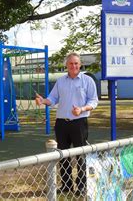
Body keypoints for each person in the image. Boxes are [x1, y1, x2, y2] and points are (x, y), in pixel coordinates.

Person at [35, 53, 98, 195]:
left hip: (79, 123)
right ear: (66, 66)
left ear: (80, 65)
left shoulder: (87, 81)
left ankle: (81, 187)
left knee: (80, 154)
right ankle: (67, 185)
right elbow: (53, 98)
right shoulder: (61, 81)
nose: (74, 66)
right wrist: (43, 101)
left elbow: (93, 101)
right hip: (62, 123)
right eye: (71, 64)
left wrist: (82, 109)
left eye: (76, 63)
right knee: (62, 155)